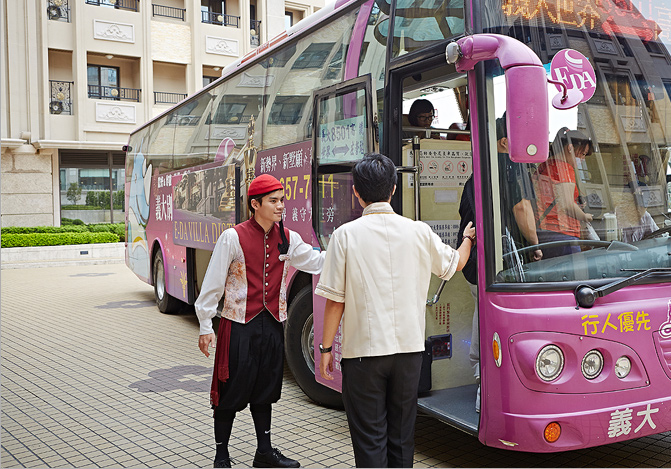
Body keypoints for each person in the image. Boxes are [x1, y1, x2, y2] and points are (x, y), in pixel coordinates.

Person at [315, 153, 475, 468]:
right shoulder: (418, 231)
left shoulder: (345, 236)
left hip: (363, 355)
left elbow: (335, 299)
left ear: (356, 193)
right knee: (402, 440)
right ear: (393, 188)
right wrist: (468, 238)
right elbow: (455, 263)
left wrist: (324, 348)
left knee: (369, 440)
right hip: (410, 354)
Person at [195, 174, 326, 468]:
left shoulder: (288, 238)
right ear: (255, 204)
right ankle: (221, 456)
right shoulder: (233, 237)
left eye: (282, 200)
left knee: (266, 389)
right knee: (230, 390)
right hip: (238, 325)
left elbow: (316, 261)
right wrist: (206, 326)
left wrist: (349, 251)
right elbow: (213, 285)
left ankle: (264, 452)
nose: (281, 206)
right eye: (273, 201)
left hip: (271, 324)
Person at [457, 114, 542, 412]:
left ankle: (487, 383)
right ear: (505, 142)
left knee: (482, 320)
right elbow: (522, 208)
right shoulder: (511, 166)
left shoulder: (477, 172)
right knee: (495, 323)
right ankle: (488, 391)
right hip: (499, 265)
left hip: (473, 264)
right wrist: (534, 245)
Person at [534, 127, 594, 257]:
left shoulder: (545, 165)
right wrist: (585, 216)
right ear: (570, 148)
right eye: (582, 154)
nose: (583, 159)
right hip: (563, 233)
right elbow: (567, 205)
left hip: (543, 232)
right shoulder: (564, 168)